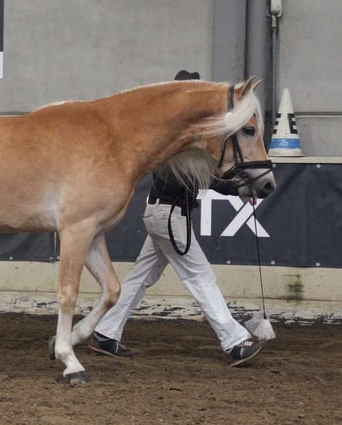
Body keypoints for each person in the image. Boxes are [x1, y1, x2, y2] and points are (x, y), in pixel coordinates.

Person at [89, 70, 265, 367]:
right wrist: (238, 188)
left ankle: (106, 332)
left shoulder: (169, 141)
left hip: (160, 215)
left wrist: (238, 188)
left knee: (140, 278)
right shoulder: (177, 144)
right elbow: (206, 180)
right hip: (171, 217)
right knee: (200, 277)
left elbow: (209, 179)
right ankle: (234, 340)